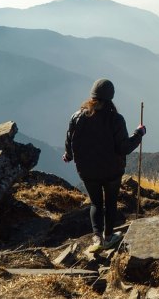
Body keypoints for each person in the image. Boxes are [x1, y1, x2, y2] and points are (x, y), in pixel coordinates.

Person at [63, 78, 146, 250]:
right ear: (111, 97)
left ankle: (96, 238)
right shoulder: (115, 119)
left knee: (95, 203)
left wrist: (69, 155)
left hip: (87, 171)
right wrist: (139, 134)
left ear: (92, 95)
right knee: (110, 203)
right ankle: (108, 237)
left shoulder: (77, 117)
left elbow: (70, 139)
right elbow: (123, 148)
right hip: (112, 171)